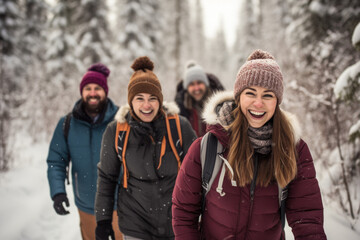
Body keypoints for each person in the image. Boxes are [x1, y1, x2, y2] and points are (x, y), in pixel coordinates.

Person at [172, 50, 327, 239]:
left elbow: (308, 219)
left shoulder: (293, 150)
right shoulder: (207, 147)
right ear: (238, 97)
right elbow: (184, 213)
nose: (258, 103)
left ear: (277, 101)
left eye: (268, 95)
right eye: (250, 93)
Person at [95, 56, 197, 240]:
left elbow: (200, 173)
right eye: (139, 98)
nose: (146, 105)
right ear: (131, 101)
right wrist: (103, 220)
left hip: (176, 224)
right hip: (135, 226)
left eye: (152, 98)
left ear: (160, 100)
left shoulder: (179, 127)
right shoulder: (117, 131)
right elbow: (107, 177)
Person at [46, 63, 122, 240]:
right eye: (88, 88)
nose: (93, 93)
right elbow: (56, 161)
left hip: (120, 205)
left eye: (97, 88)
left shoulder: (122, 121)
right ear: (82, 91)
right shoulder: (67, 124)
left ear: (105, 91)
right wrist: (58, 192)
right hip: (87, 206)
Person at [175, 61, 224, 137]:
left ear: (206, 84)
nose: (196, 88)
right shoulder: (181, 107)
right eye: (192, 84)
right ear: (187, 88)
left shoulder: (220, 105)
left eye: (199, 83)